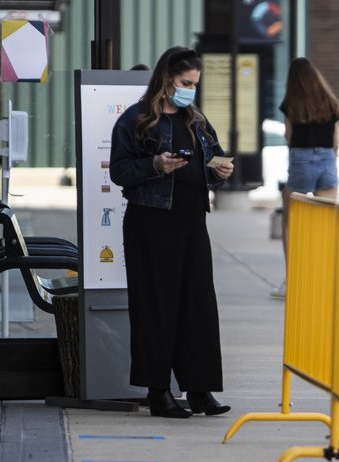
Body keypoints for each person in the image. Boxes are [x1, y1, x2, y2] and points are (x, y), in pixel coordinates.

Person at [109, 46, 234, 418]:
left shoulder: (196, 120)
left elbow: (211, 162)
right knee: (155, 307)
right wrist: (156, 164)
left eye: (194, 84)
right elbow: (119, 171)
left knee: (197, 306)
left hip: (191, 221)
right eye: (184, 82)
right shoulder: (136, 120)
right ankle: (158, 391)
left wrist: (220, 172)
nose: (189, 90)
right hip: (151, 223)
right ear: (166, 79)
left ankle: (199, 389)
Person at [271, 57, 339, 298]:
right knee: (325, 223)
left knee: (291, 222)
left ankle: (292, 280)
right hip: (327, 160)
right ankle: (325, 279)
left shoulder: (292, 103)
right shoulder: (331, 103)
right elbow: (335, 142)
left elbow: (289, 136)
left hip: (301, 158)